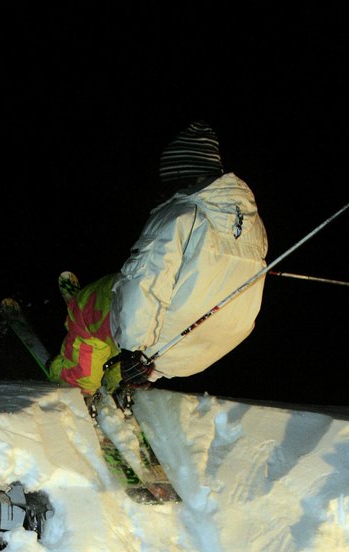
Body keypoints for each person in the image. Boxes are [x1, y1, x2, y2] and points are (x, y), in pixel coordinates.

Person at [48, 120, 268, 395]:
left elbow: (146, 283)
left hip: (157, 343)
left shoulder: (180, 216)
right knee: (133, 303)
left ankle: (76, 389)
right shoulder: (253, 225)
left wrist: (132, 348)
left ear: (182, 171)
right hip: (199, 354)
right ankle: (121, 379)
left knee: (89, 307)